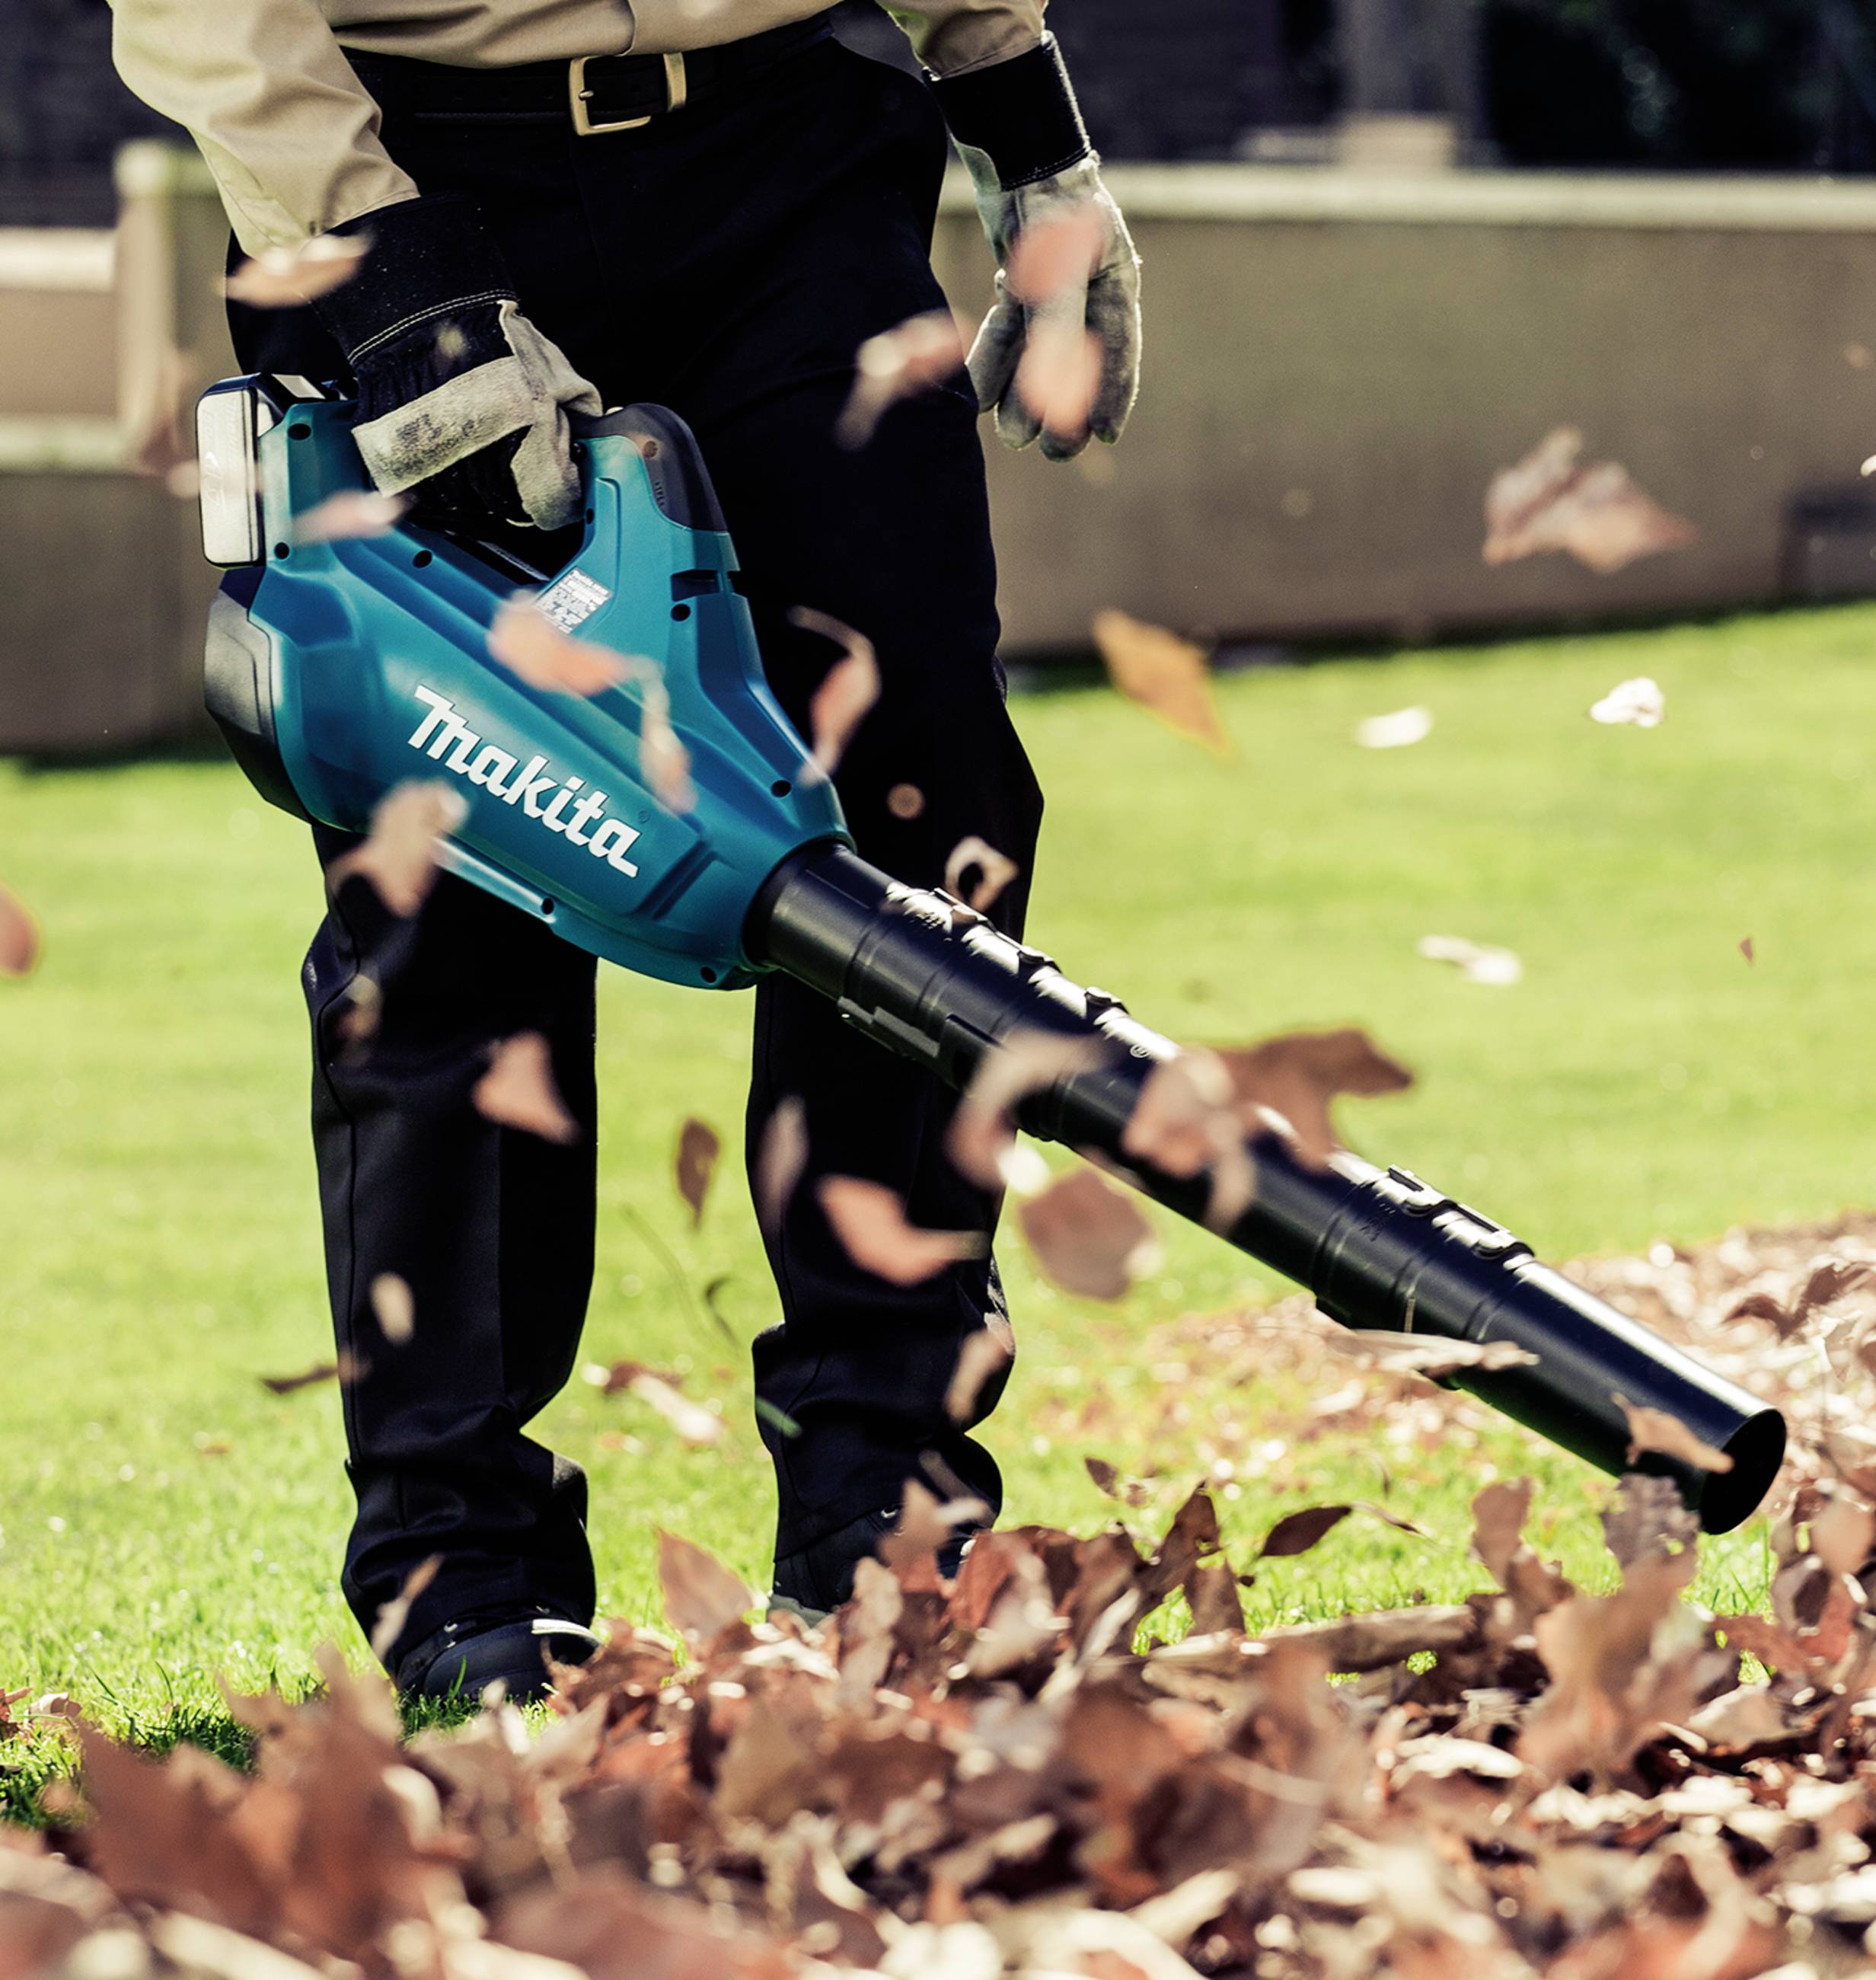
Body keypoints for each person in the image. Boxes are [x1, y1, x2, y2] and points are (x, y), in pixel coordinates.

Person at [108, 0, 1141, 1696]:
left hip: (788, 161)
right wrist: (384, 274)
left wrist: (1029, 129)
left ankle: (888, 1512)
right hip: (403, 164)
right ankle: (461, 1572)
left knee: (921, 794)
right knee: (452, 864)